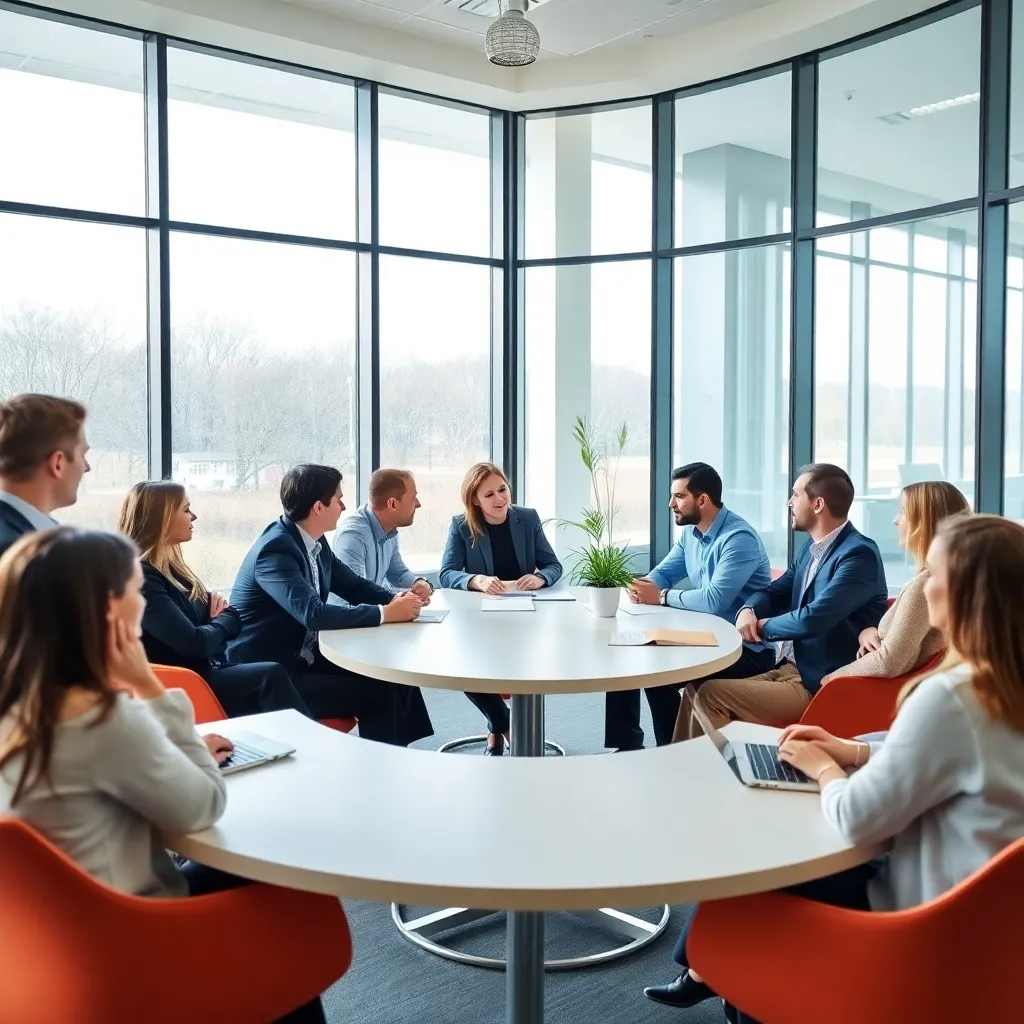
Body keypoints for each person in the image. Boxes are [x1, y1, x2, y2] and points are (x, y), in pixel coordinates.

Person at [644, 514, 1024, 1017]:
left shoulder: (949, 698)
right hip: (994, 918)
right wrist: (852, 750)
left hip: (923, 918)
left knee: (758, 865)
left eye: (933, 574)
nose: (922, 587)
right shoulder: (1000, 685)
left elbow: (857, 817)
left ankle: (718, 971)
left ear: (965, 593)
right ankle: (705, 969)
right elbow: (955, 750)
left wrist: (823, 768)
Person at [0, 528, 329, 1024]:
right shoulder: (104, 720)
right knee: (281, 878)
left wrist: (168, 745)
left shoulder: (22, 712)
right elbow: (202, 804)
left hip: (48, 946)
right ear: (109, 613)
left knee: (253, 865)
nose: (143, 607)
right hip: (132, 939)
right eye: (135, 591)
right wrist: (150, 687)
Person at [225, 464, 433, 747]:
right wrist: (386, 614)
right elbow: (313, 614)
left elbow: (352, 585)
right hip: (276, 671)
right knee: (376, 691)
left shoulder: (314, 541)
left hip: (306, 655)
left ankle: (400, 756)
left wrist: (393, 599)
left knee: (387, 670)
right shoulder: (276, 550)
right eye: (338, 499)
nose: (344, 506)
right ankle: (386, 769)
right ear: (318, 507)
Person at [684, 463, 888, 738]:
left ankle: (710, 778)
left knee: (711, 695)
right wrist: (748, 609)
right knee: (695, 688)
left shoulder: (858, 555)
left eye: (795, 494)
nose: (789, 502)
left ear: (817, 504)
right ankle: (681, 775)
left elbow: (814, 618)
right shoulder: (811, 549)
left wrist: (760, 628)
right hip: (790, 668)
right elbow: (775, 591)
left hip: (819, 683)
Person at [605, 463, 774, 751]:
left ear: (703, 500)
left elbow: (713, 600)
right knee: (629, 654)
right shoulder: (692, 534)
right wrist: (640, 587)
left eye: (679, 497)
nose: (671, 504)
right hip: (704, 636)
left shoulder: (738, 539)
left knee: (657, 675)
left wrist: (660, 596)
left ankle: (673, 752)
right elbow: (663, 574)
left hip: (743, 648)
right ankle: (628, 744)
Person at [118, 481, 310, 718]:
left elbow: (226, 620)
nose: (194, 516)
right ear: (162, 518)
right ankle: (312, 748)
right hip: (188, 683)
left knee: (272, 676)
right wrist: (220, 623)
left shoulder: (174, 571)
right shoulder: (142, 579)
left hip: (209, 668)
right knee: (270, 675)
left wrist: (215, 625)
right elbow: (196, 643)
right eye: (186, 509)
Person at [439, 461, 563, 755]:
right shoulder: (461, 525)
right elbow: (446, 573)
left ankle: (497, 730)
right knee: (465, 665)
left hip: (527, 617)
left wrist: (540, 577)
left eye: (502, 490)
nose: (499, 499)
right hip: (479, 620)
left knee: (527, 661)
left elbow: (553, 565)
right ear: (474, 500)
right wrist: (476, 580)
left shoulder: (528, 518)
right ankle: (504, 723)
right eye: (489, 494)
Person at [823, 480, 969, 686]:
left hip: (872, 698)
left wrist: (831, 678)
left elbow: (889, 662)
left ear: (923, 522)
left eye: (903, 511)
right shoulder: (948, 578)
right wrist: (869, 632)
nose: (896, 520)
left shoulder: (925, 586)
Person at [0, 393, 90, 556]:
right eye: (82, 455)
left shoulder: (41, 534)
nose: (87, 467)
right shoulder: (16, 552)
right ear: (57, 463)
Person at [331, 468, 433, 603]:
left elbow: (397, 573)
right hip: (351, 622)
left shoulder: (390, 528)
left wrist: (418, 583)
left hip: (373, 618)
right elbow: (349, 599)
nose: (418, 504)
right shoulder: (353, 536)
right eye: (413, 497)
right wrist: (394, 606)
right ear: (393, 504)